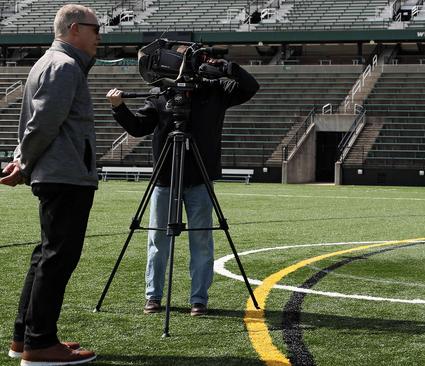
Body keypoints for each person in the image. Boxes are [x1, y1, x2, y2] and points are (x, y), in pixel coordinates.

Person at [106, 52, 259, 316]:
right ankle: (153, 297)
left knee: (201, 241)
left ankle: (198, 300)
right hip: (165, 178)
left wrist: (223, 66)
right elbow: (139, 127)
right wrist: (118, 107)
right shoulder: (161, 93)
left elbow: (250, 86)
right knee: (157, 239)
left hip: (200, 178)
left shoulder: (215, 90)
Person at [0, 4, 101, 365]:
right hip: (65, 175)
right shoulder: (64, 65)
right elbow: (43, 124)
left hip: (58, 172)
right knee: (57, 258)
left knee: (46, 256)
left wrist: (20, 160)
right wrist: (24, 163)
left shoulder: (52, 63)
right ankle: (39, 344)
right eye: (95, 29)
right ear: (75, 28)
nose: (99, 37)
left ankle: (24, 337)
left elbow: (34, 121)